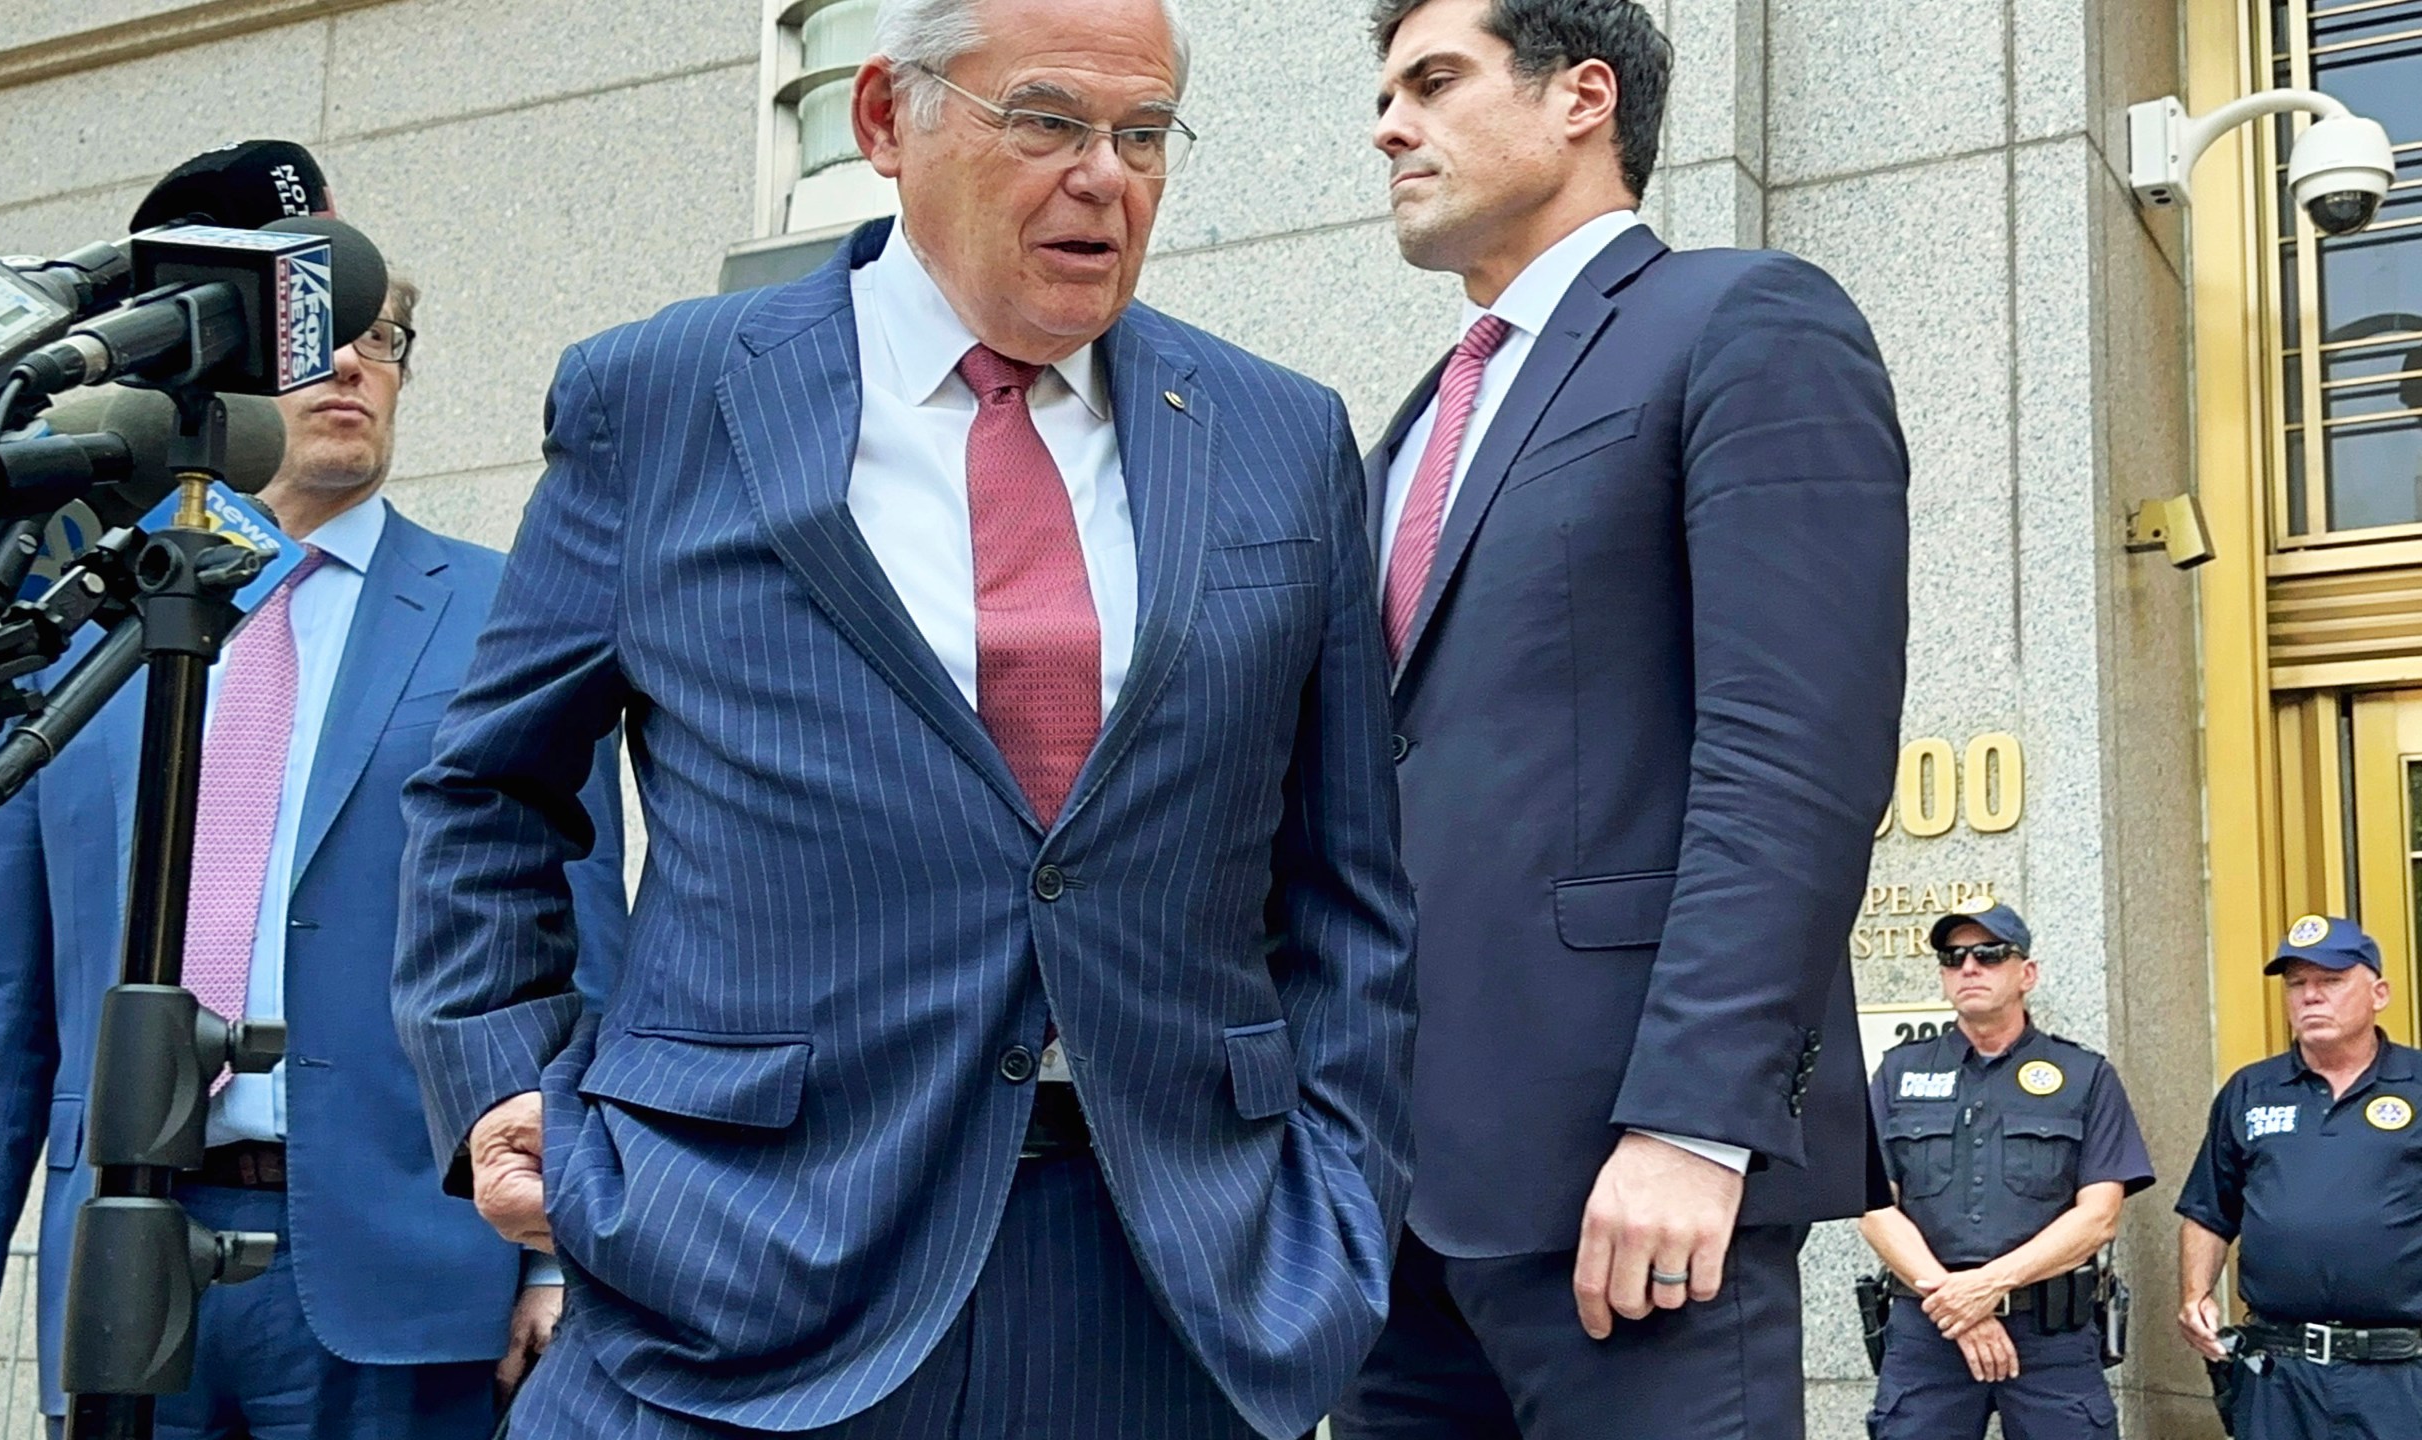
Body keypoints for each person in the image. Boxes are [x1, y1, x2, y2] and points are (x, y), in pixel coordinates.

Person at [390, 0, 1418, 1435]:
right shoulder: (668, 398)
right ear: (886, 119)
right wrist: (503, 1081)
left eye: (1142, 135)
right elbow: (490, 789)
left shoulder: (1279, 434)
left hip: (1169, 1287)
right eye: (1049, 121)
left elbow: (1350, 879)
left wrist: (1340, 1194)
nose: (1105, 176)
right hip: (731, 1265)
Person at [0, 279, 630, 1440]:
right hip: (120, 1257)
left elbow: (578, 948)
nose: (352, 368)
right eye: (317, 341)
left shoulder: (506, 615)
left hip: (414, 1262)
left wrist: (561, 1256)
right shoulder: (70, 630)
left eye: (383, 343)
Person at [1327, 1, 1908, 1436]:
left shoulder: (1743, 321)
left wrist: (1695, 1122)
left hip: (1630, 1199)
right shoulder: (1401, 438)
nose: (1388, 124)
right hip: (1389, 1212)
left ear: (1584, 95)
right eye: (1384, 91)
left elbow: (1794, 760)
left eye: (1433, 81)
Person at [1859, 900, 2154, 1438]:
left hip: (2051, 1337)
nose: (1968, 967)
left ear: (2027, 974)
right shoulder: (1899, 1073)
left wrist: (1989, 1286)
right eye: (1953, 957)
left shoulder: (2084, 1076)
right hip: (1930, 1334)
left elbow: (2099, 1218)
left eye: (1989, 954)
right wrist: (1958, 1303)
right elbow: (1874, 1206)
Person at [2175, 915, 2422, 1439]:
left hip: (2399, 1374)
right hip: (2278, 1373)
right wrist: (2195, 1293)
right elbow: (2209, 1211)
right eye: (2297, 984)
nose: (2310, 996)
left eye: (2330, 981)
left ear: (2379, 992)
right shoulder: (2250, 1090)